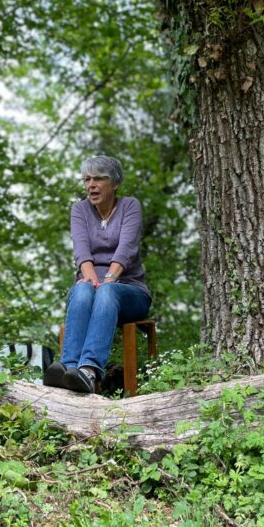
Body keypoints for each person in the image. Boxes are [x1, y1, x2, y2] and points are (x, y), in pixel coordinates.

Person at [44, 156, 151, 393]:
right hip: (92, 287)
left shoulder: (130, 206)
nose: (91, 185)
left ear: (114, 183)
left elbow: (127, 249)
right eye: (87, 179)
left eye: (98, 179)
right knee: (82, 288)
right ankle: (69, 370)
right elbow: (81, 250)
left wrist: (108, 279)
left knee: (107, 290)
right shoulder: (80, 209)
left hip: (129, 291)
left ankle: (90, 372)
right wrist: (92, 279)